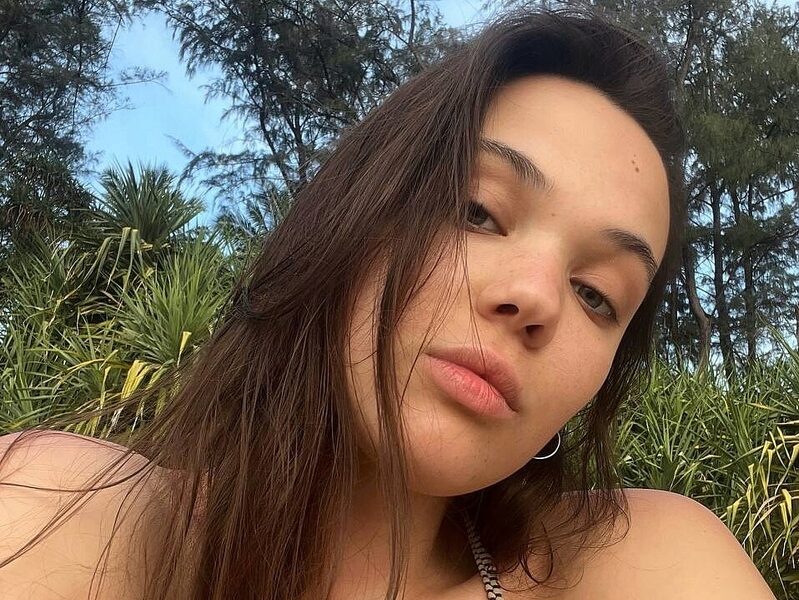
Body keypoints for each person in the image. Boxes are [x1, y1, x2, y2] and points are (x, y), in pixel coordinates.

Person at [0, 8, 778, 600]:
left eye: (596, 295)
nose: (535, 297)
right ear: (351, 217)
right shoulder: (71, 516)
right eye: (476, 212)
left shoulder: (644, 566)